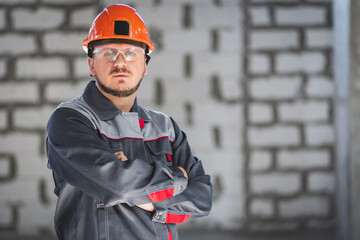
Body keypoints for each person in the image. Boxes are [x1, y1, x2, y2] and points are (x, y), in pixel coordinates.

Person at [46, 4, 212, 240]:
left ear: (145, 65)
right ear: (91, 64)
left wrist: (141, 189)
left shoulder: (165, 127)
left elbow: (202, 199)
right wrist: (176, 177)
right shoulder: (70, 120)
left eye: (131, 53)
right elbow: (117, 185)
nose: (120, 62)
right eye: (108, 52)